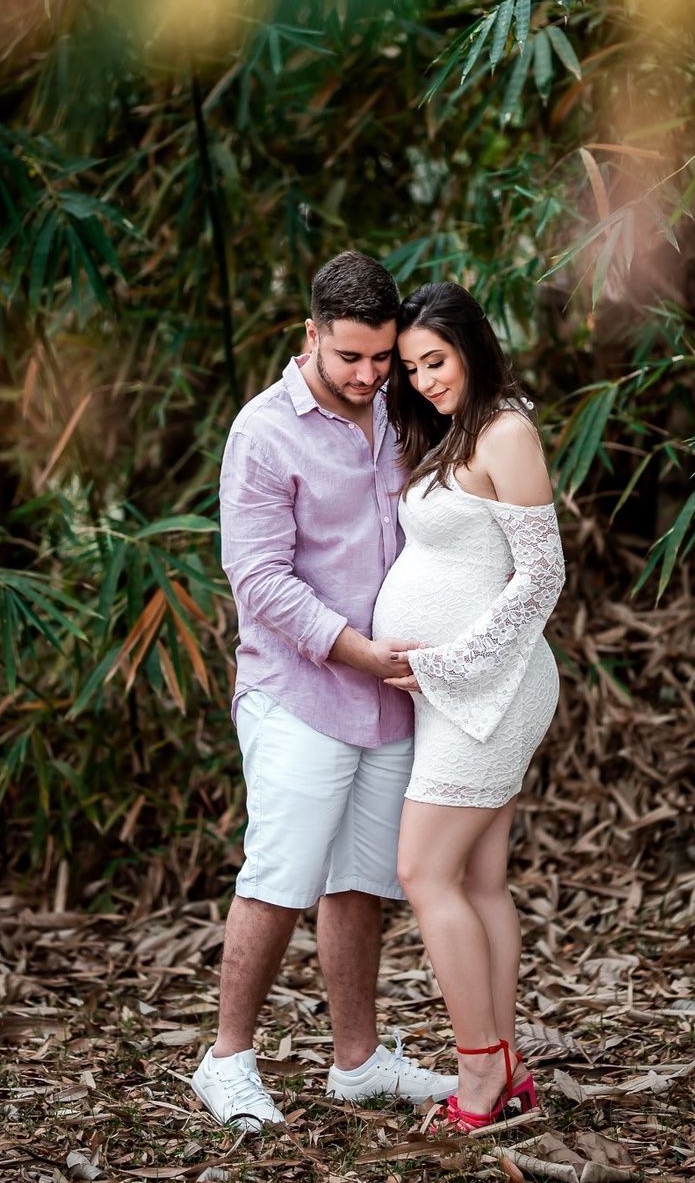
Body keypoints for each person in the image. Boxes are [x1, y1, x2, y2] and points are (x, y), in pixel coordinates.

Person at [191, 252, 456, 1129]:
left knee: (359, 881)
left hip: (387, 698)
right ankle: (226, 1060)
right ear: (309, 336)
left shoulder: (395, 407)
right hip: (300, 691)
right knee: (281, 874)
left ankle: (357, 1061)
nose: (369, 375)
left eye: (382, 357)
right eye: (350, 357)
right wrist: (360, 652)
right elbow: (258, 579)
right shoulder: (262, 433)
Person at [373, 281, 565, 1130]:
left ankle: (480, 1072)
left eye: (434, 360)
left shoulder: (507, 430)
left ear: (472, 347)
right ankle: (510, 1064)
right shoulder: (455, 434)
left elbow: (542, 578)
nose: (423, 379)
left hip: (494, 689)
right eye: (410, 368)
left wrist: (448, 662)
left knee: (424, 872)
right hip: (456, 693)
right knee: (482, 882)